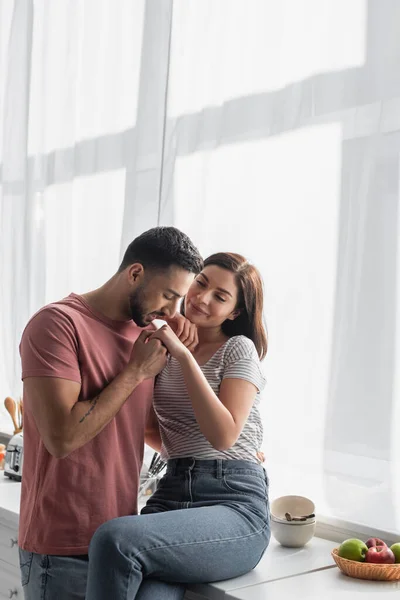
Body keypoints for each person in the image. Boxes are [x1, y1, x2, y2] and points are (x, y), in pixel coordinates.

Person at [18, 226, 203, 600]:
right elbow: (61, 438)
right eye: (169, 296)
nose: (172, 311)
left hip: (120, 545)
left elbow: (145, 429)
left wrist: (225, 457)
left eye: (179, 301)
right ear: (135, 273)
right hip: (60, 550)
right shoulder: (57, 324)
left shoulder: (148, 335)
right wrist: (134, 372)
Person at [85, 252, 271, 600]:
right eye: (201, 283)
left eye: (220, 296)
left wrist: (184, 355)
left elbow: (224, 436)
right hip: (172, 497)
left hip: (234, 505)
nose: (202, 298)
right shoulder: (163, 349)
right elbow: (152, 430)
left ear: (235, 312)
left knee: (114, 539)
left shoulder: (238, 349)